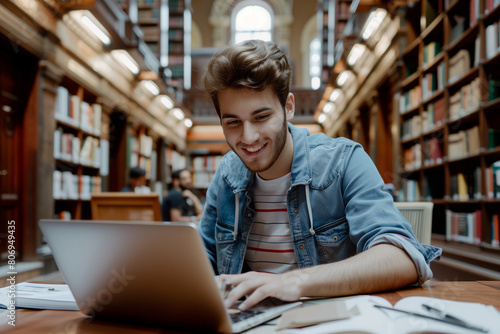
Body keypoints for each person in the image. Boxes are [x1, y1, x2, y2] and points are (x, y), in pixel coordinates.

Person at [199, 40, 442, 312]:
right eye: (233, 122)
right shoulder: (227, 174)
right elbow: (198, 263)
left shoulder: (344, 160)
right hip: (248, 321)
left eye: (261, 117)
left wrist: (293, 283)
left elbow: (402, 258)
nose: (248, 137)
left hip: (330, 321)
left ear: (288, 107)